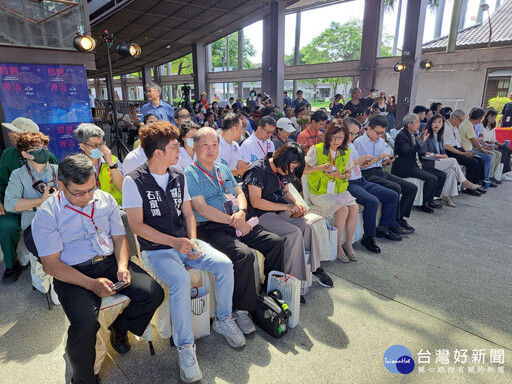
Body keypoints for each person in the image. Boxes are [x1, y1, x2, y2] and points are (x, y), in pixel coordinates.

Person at [123, 122, 244, 383]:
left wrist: (191, 240)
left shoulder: (178, 175)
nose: (181, 149)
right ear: (158, 153)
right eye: (175, 146)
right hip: (156, 250)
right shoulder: (134, 181)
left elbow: (188, 212)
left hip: (185, 243)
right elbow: (136, 225)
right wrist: (174, 243)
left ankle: (224, 318)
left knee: (223, 264)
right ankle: (185, 347)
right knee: (179, 280)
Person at [32, 154, 164, 384]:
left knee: (153, 292)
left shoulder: (104, 200)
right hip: (72, 272)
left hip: (109, 262)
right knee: (85, 324)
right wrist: (90, 284)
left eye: (91, 189)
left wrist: (122, 266)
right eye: (79, 193)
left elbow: (119, 238)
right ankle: (84, 378)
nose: (88, 197)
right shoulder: (47, 214)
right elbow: (51, 264)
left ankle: (119, 329)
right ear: (60, 185)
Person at [185, 127, 284, 315]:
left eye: (215, 144)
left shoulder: (222, 169)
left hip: (237, 219)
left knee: (275, 242)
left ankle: (269, 293)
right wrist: (234, 220)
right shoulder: (190, 173)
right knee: (244, 255)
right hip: (211, 227)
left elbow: (239, 192)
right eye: (205, 145)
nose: (211, 149)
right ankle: (241, 310)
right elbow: (201, 208)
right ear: (195, 146)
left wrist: (242, 212)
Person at [243, 142, 333, 289]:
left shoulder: (283, 170)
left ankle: (316, 268)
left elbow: (284, 191)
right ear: (283, 159)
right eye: (291, 167)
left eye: (294, 168)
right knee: (293, 232)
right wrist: (287, 206)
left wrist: (296, 203)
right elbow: (256, 202)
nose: (292, 171)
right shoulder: (257, 170)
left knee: (307, 226)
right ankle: (292, 280)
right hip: (260, 214)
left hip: (278, 210)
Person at [0, 118, 58, 283]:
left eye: (13, 131)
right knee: (5, 226)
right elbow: (0, 181)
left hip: (42, 209)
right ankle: (11, 265)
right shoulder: (7, 155)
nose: (10, 134)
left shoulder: (49, 158)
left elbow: (55, 180)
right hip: (10, 203)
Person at [304, 120, 359, 262]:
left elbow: (348, 173)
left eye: (340, 138)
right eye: (333, 137)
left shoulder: (346, 151)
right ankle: (338, 247)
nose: (336, 141)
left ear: (345, 138)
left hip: (338, 190)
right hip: (320, 192)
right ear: (328, 135)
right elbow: (304, 170)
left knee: (354, 208)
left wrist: (339, 175)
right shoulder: (317, 149)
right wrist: (320, 167)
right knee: (343, 210)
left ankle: (348, 244)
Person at [345, 118, 402, 253]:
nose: (352, 137)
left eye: (355, 133)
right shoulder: (339, 146)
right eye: (351, 133)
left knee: (392, 195)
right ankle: (369, 237)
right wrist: (357, 162)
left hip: (360, 179)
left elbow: (362, 165)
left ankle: (383, 227)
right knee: (372, 201)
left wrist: (375, 159)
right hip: (348, 183)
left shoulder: (351, 144)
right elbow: (338, 170)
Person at [353, 116, 417, 232]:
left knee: (411, 188)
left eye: (382, 133)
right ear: (369, 129)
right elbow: (359, 166)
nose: (380, 136)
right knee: (395, 188)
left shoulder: (381, 142)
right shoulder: (358, 142)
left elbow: (381, 164)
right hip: (366, 174)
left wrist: (387, 162)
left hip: (379, 171)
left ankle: (399, 218)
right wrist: (378, 158)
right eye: (378, 132)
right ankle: (390, 224)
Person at [420, 115, 481, 207]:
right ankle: (464, 182)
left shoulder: (440, 136)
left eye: (439, 122)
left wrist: (442, 155)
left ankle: (446, 196)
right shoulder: (426, 134)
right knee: (453, 160)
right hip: (428, 162)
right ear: (430, 123)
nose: (437, 124)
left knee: (451, 171)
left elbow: (443, 153)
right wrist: (438, 155)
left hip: (438, 161)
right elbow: (423, 152)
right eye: (434, 122)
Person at [392, 113, 447, 213]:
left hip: (416, 164)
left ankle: (431, 199)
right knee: (432, 178)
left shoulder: (412, 134)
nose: (419, 124)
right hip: (406, 167)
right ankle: (424, 204)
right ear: (409, 125)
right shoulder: (402, 136)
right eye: (417, 122)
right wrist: (421, 142)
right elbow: (408, 152)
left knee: (441, 175)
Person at [74, 123, 124, 205]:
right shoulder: (75, 165)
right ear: (82, 146)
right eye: (94, 145)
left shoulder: (113, 159)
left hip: (115, 205)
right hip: (91, 208)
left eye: (101, 143)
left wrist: (111, 163)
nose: (99, 148)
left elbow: (122, 187)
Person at [443, 110, 486, 195]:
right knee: (473, 162)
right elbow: (447, 146)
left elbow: (459, 141)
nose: (461, 122)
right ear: (454, 118)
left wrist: (466, 152)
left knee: (479, 160)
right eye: (460, 120)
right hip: (450, 151)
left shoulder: (455, 127)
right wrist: (463, 154)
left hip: (458, 149)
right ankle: (468, 188)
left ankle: (477, 183)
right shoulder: (445, 127)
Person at [458, 108, 496, 187]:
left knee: (488, 156)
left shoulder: (469, 124)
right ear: (480, 118)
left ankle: (482, 180)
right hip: (467, 149)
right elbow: (474, 142)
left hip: (469, 147)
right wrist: (483, 149)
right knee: (487, 157)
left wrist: (483, 147)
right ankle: (483, 180)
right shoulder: (468, 125)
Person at [216, 113, 250, 180]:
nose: (241, 132)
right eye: (240, 129)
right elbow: (217, 174)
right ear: (233, 129)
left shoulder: (235, 145)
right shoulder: (215, 145)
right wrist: (238, 171)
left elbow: (240, 167)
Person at [482, 110, 512, 181]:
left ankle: (503, 172)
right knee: (502, 153)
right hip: (484, 144)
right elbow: (480, 138)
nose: (493, 118)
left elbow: (493, 139)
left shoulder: (492, 127)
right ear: (486, 117)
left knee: (507, 149)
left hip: (490, 143)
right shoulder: (481, 126)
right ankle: (498, 174)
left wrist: (501, 144)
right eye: (491, 116)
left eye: (495, 117)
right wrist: (490, 145)